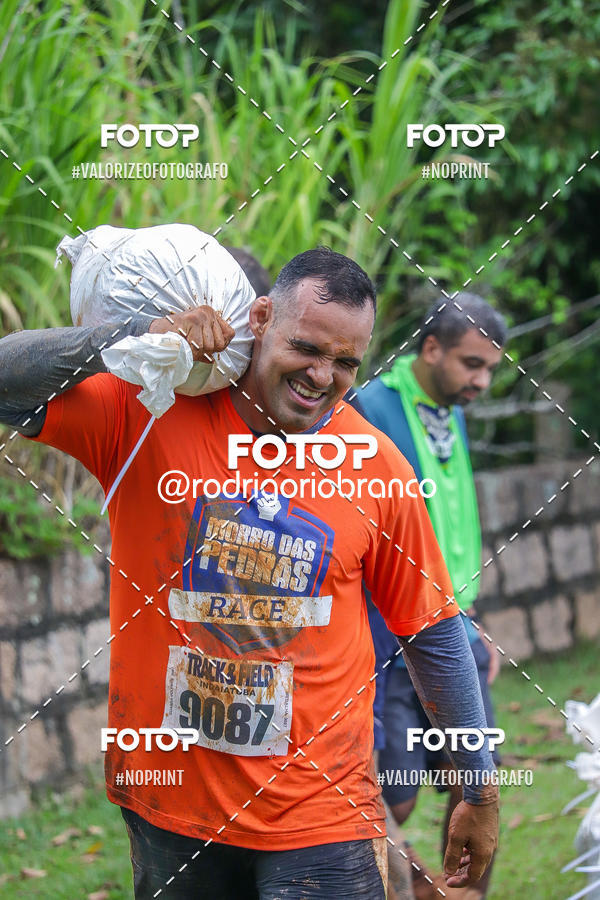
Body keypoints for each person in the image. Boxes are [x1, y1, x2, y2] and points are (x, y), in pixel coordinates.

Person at [0, 250, 499, 899]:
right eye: (307, 348)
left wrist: (479, 787)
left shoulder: (375, 465)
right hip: (170, 805)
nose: (323, 376)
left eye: (346, 362)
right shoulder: (148, 410)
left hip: (323, 816)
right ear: (259, 318)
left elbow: (434, 631)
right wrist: (133, 339)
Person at [352, 294, 507, 900]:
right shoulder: (369, 410)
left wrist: (475, 623)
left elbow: (453, 530)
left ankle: (460, 893)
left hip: (454, 631)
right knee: (393, 791)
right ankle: (415, 886)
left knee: (478, 777)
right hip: (386, 637)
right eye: (472, 364)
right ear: (431, 348)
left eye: (491, 368)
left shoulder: (451, 412)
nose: (482, 381)